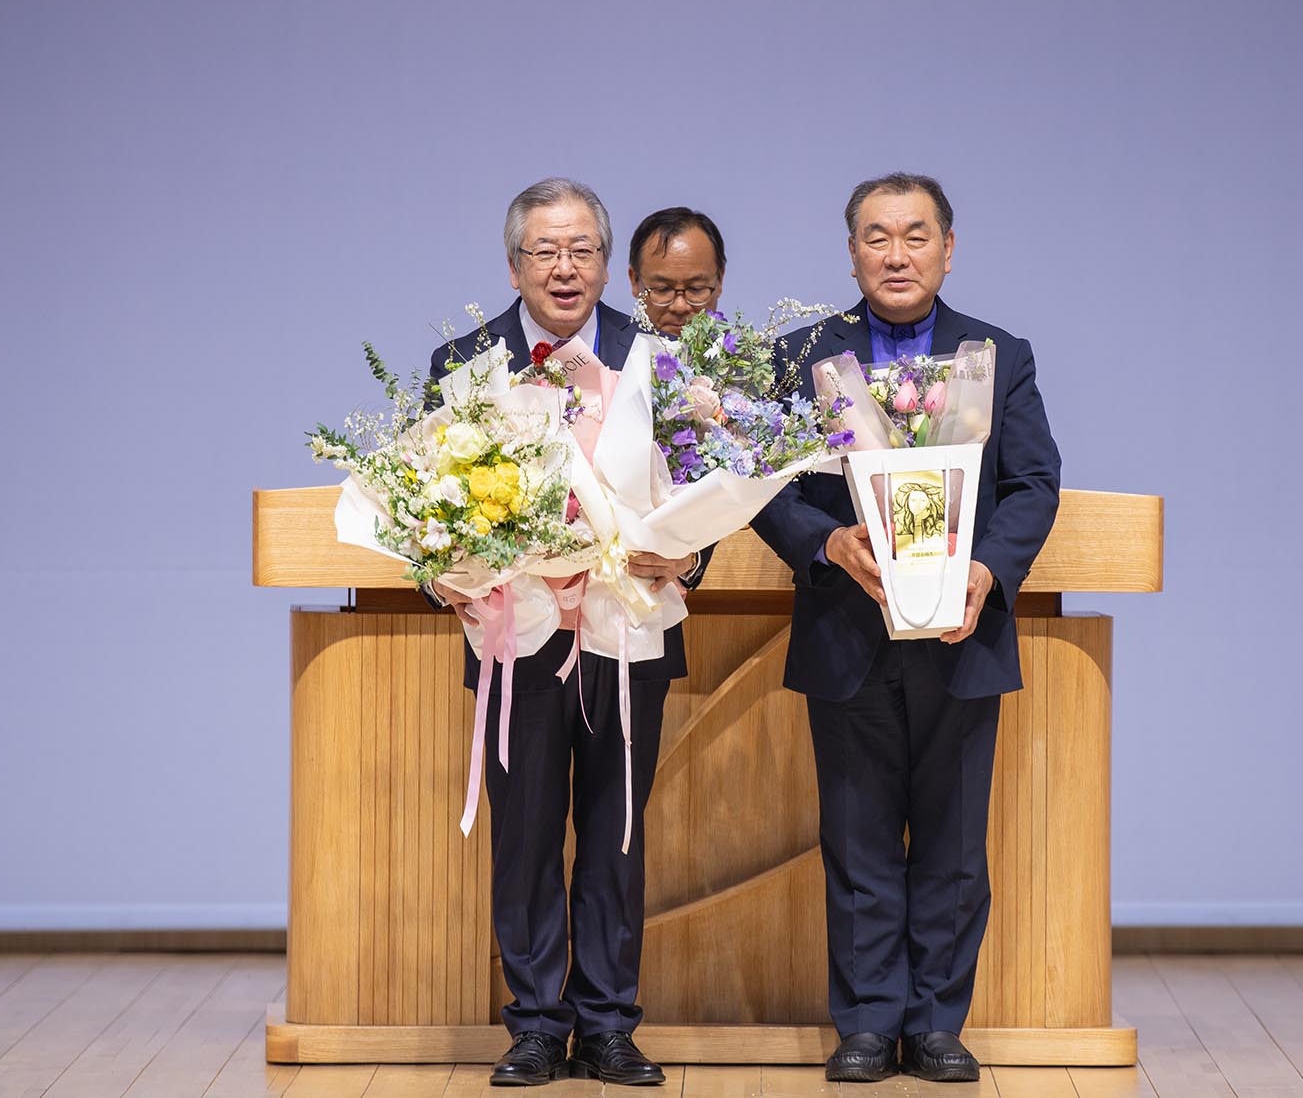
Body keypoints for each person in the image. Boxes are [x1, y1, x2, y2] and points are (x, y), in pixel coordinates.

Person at [749, 172, 1062, 1084]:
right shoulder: (804, 355)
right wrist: (826, 541)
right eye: (877, 237)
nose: (896, 254)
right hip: (849, 629)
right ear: (851, 252)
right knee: (857, 842)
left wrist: (986, 569)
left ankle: (934, 1025)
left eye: (915, 236)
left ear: (948, 249)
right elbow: (763, 483)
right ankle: (866, 1023)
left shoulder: (998, 355)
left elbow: (1032, 483)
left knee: (955, 847)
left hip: (962, 631)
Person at [426, 177, 708, 1087]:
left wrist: (690, 553)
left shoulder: (656, 355)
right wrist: (442, 573)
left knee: (616, 835)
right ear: (514, 264)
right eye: (545, 251)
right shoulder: (465, 365)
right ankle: (537, 1026)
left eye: (582, 250)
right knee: (526, 838)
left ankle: (609, 1024)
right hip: (519, 637)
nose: (565, 267)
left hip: (628, 628)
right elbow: (431, 505)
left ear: (607, 265)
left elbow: (701, 485)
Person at [625, 206, 725, 337]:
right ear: (634, 280)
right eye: (663, 289)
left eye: (696, 288)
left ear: (719, 280)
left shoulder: (747, 348)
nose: (680, 307)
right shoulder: (605, 349)